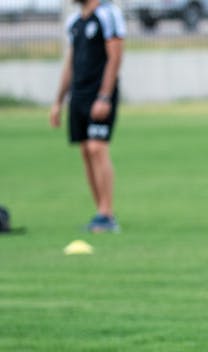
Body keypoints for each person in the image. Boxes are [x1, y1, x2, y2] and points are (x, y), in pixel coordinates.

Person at [50, 0, 126, 233]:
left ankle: (107, 214)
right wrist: (58, 101)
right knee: (85, 151)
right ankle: (99, 212)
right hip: (79, 96)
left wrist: (104, 96)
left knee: (97, 148)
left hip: (100, 94)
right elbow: (70, 63)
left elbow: (115, 57)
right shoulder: (75, 21)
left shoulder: (108, 14)